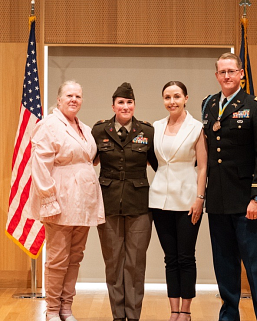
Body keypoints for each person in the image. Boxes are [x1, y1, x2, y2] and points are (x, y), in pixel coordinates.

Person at [202, 52, 257, 321]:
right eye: (222, 72)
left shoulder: (256, 106)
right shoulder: (209, 105)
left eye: (232, 71)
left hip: (246, 201)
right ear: (216, 75)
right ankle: (229, 316)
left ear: (241, 74)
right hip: (218, 200)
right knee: (224, 265)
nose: (227, 76)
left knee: (255, 266)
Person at [29, 80, 105, 321]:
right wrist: (49, 201)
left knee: (75, 256)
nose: (74, 100)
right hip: (60, 200)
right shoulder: (49, 126)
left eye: (78, 96)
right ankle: (52, 309)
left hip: (83, 202)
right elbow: (40, 167)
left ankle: (66, 307)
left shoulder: (83, 127)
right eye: (69, 95)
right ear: (59, 99)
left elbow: (90, 159)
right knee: (58, 257)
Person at [91, 82, 158, 321]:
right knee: (113, 263)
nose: (125, 106)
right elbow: (88, 164)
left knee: (135, 264)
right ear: (113, 105)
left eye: (129, 102)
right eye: (121, 102)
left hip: (139, 205)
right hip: (107, 204)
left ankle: (134, 316)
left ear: (134, 105)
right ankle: (117, 316)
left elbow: (160, 167)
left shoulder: (147, 132)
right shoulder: (99, 131)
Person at [149, 81, 208, 321]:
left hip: (187, 200)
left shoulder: (197, 127)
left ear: (186, 98)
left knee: (186, 257)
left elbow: (203, 166)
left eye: (176, 96)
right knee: (169, 258)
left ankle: (186, 311)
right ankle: (173, 311)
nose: (171, 101)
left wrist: (200, 198)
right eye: (167, 97)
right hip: (159, 200)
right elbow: (153, 161)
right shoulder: (156, 126)